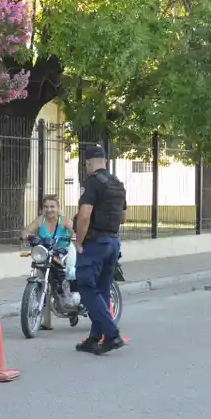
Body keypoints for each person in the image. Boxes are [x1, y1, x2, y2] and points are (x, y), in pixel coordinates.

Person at [73, 145, 126, 354]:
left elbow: (84, 215)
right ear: (104, 160)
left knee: (86, 288)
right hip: (112, 242)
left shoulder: (92, 183)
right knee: (102, 290)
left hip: (95, 244)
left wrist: (79, 241)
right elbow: (123, 217)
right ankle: (95, 337)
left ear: (87, 163)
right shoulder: (117, 184)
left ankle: (112, 335)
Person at [21, 194, 77, 330]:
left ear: (58, 208)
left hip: (64, 252)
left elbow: (75, 229)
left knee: (70, 273)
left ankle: (73, 302)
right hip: (46, 253)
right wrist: (25, 235)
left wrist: (74, 234)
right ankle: (47, 322)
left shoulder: (63, 221)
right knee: (43, 285)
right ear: (42, 209)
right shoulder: (40, 220)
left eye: (52, 206)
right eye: (46, 207)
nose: (49, 209)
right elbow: (27, 230)